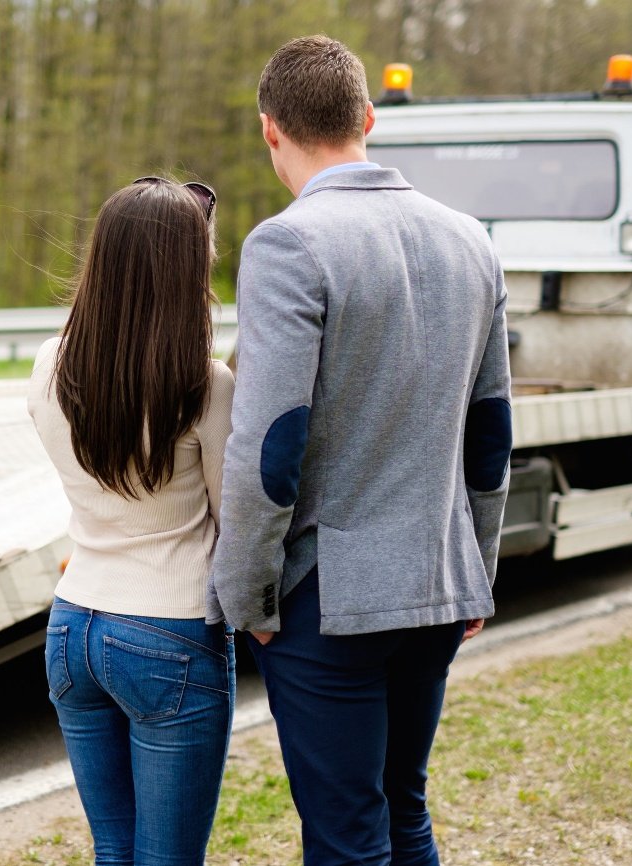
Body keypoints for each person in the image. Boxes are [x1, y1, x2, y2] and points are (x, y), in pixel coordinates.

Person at [207, 36, 512, 865]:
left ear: (270, 130)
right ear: (368, 118)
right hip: (439, 587)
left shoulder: (287, 244)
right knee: (402, 813)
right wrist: (476, 565)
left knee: (346, 836)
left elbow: (271, 443)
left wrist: (245, 594)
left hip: (326, 600)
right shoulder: (471, 241)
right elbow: (491, 431)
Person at [29, 176, 236, 866]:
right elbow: (232, 517)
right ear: (185, 274)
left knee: (114, 850)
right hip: (169, 631)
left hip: (72, 626)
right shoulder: (204, 386)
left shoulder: (48, 367)